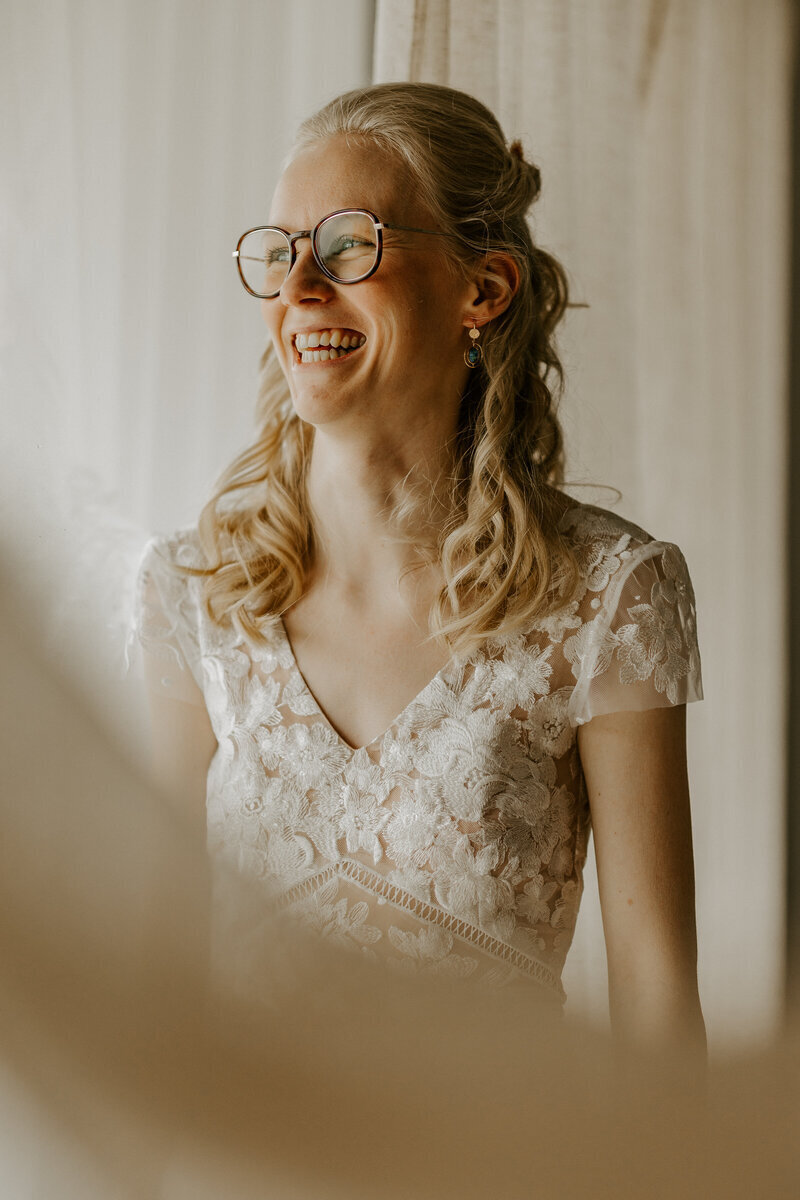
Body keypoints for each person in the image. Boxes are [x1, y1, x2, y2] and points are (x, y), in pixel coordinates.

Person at [133, 81, 705, 1048]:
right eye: (279, 255)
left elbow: (656, 1009)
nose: (301, 288)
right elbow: (152, 977)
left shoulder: (609, 598)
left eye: (351, 243)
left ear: (482, 289)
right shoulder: (195, 598)